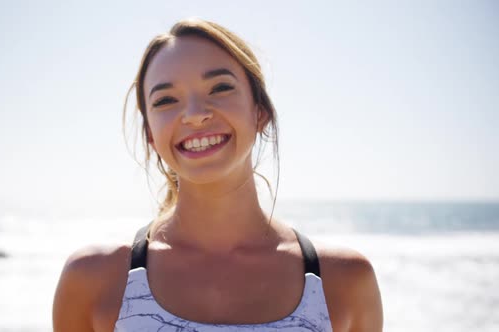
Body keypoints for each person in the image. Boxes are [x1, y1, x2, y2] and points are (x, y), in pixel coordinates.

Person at [53, 18, 383, 332]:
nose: (195, 115)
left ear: (260, 111)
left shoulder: (344, 282)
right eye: (166, 99)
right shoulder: (93, 280)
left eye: (220, 87)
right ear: (151, 134)